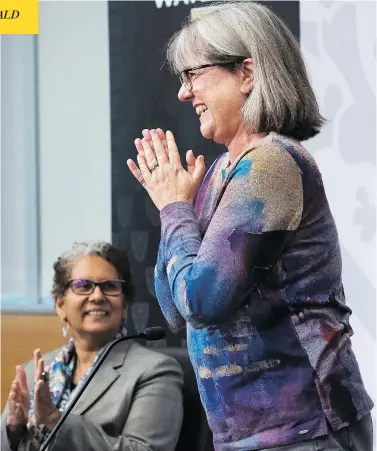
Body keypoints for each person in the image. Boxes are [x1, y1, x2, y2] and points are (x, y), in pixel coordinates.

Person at [126, 2, 374, 451]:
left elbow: (202, 301)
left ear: (247, 73)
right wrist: (174, 208)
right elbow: (173, 306)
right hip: (253, 433)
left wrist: (175, 209)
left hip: (304, 428)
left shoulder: (270, 164)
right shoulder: (225, 169)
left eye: (193, 75)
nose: (184, 94)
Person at [1, 242, 184, 451]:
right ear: (60, 305)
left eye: (109, 286)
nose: (97, 296)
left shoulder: (155, 371)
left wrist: (55, 420)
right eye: (83, 285)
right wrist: (13, 429)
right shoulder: (35, 370)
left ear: (124, 306)